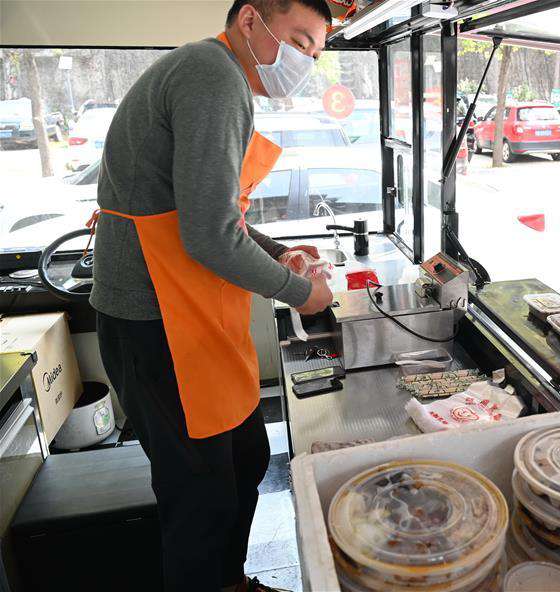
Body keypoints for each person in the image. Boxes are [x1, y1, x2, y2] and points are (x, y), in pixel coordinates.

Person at [89, 1, 333, 591]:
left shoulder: (216, 75)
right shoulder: (212, 75)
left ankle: (231, 582)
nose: (304, 61)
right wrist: (303, 295)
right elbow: (207, 236)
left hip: (186, 310)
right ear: (250, 20)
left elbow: (217, 212)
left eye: (315, 52)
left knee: (245, 459)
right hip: (157, 318)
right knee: (198, 490)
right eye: (298, 40)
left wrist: (276, 254)